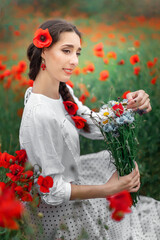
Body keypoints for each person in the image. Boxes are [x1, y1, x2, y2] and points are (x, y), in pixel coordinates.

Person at [19, 19, 159, 240]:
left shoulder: (61, 90)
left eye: (77, 53)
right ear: (43, 51)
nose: (74, 61)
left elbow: (91, 124)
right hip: (54, 211)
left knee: (111, 160)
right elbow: (51, 192)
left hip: (70, 176)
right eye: (66, 51)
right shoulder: (39, 114)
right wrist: (108, 189)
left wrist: (130, 104)